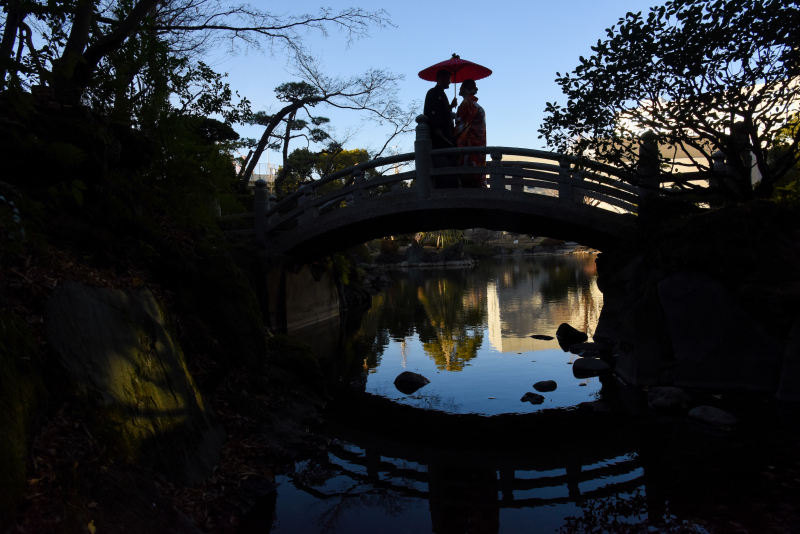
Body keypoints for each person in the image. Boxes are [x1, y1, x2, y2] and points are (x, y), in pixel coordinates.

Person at [424, 68, 459, 188]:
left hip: (447, 134)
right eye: (448, 79)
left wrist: (450, 107)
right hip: (439, 136)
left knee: (449, 162)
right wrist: (435, 128)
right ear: (441, 78)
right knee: (442, 162)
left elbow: (443, 113)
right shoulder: (432, 93)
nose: (449, 81)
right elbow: (431, 112)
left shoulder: (441, 94)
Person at [454, 79, 487, 188]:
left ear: (465, 89)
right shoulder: (476, 105)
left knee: (468, 174)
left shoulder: (467, 104)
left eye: (462, 86)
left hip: (469, 142)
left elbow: (462, 124)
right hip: (479, 142)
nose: (459, 88)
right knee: (477, 170)